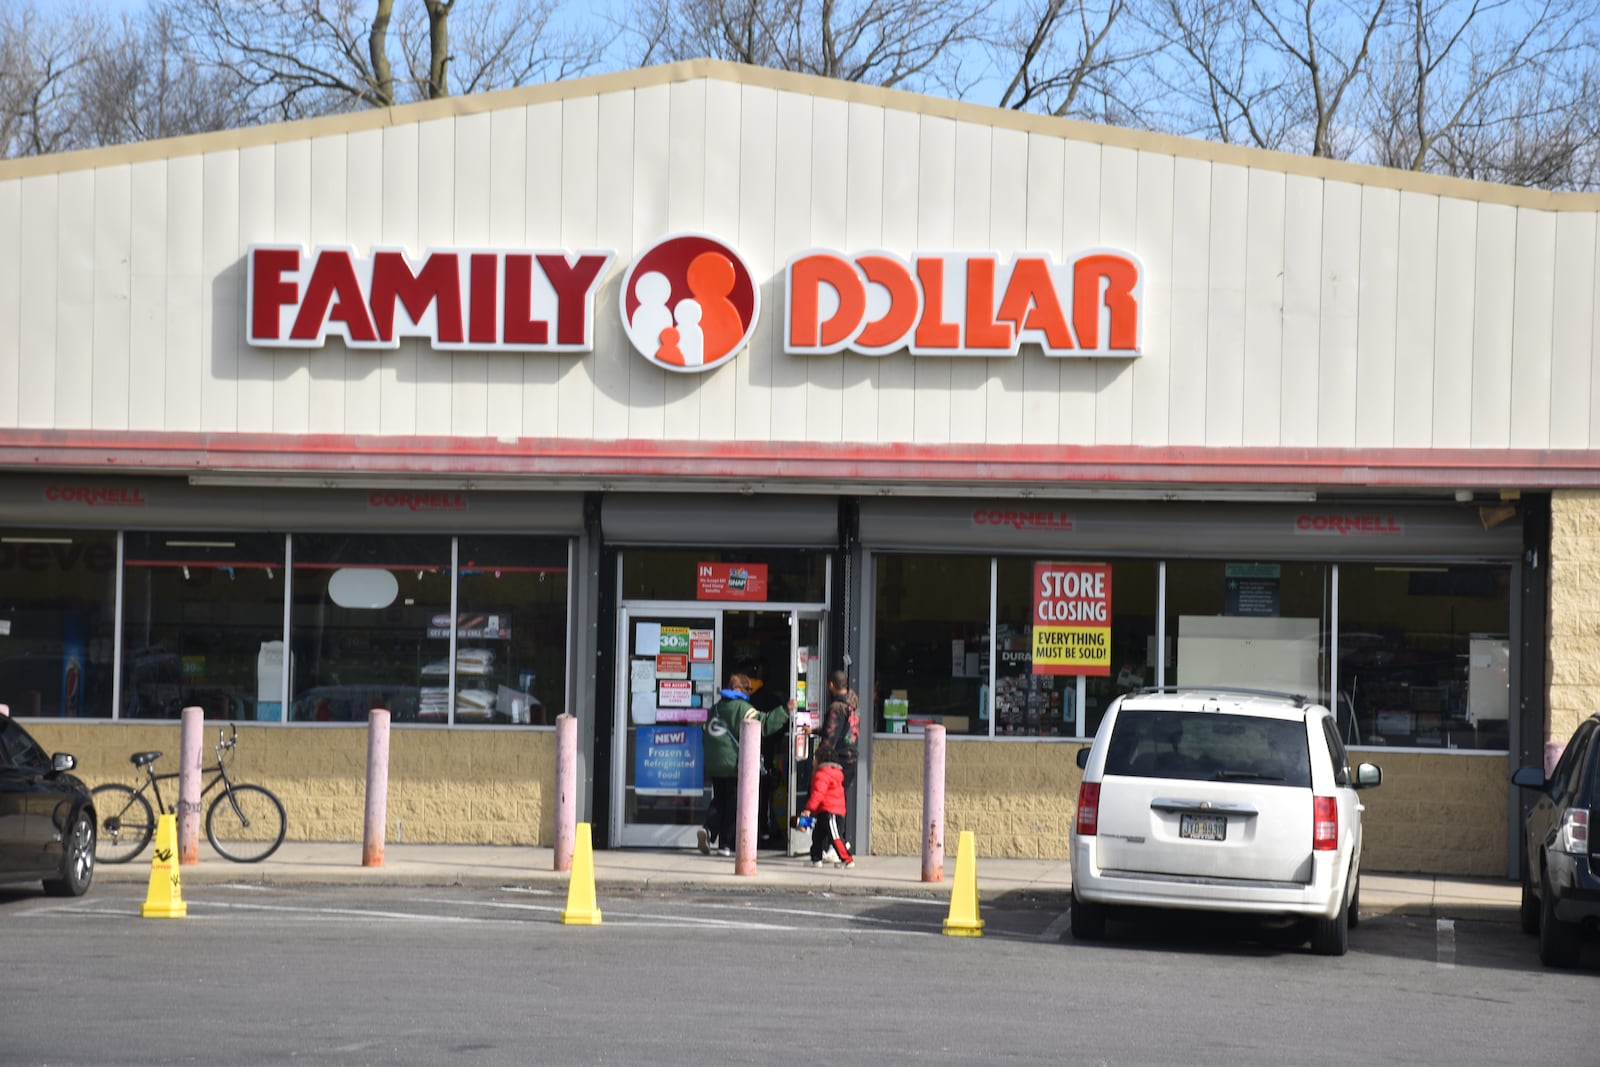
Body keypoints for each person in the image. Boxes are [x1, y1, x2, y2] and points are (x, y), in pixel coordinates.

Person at [699, 672, 790, 857]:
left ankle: (708, 831)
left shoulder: (715, 708)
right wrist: (785, 711)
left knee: (719, 800)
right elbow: (763, 724)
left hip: (715, 763)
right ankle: (725, 844)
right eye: (748, 689)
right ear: (741, 690)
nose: (750, 693)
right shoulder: (743, 708)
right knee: (733, 804)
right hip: (733, 764)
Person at [798, 757, 854, 868]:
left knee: (835, 836)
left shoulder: (821, 774)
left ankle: (847, 860)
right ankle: (816, 859)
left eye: (815, 757)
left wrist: (808, 809)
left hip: (829, 811)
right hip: (825, 810)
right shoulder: (834, 772)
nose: (813, 760)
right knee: (817, 836)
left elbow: (818, 794)